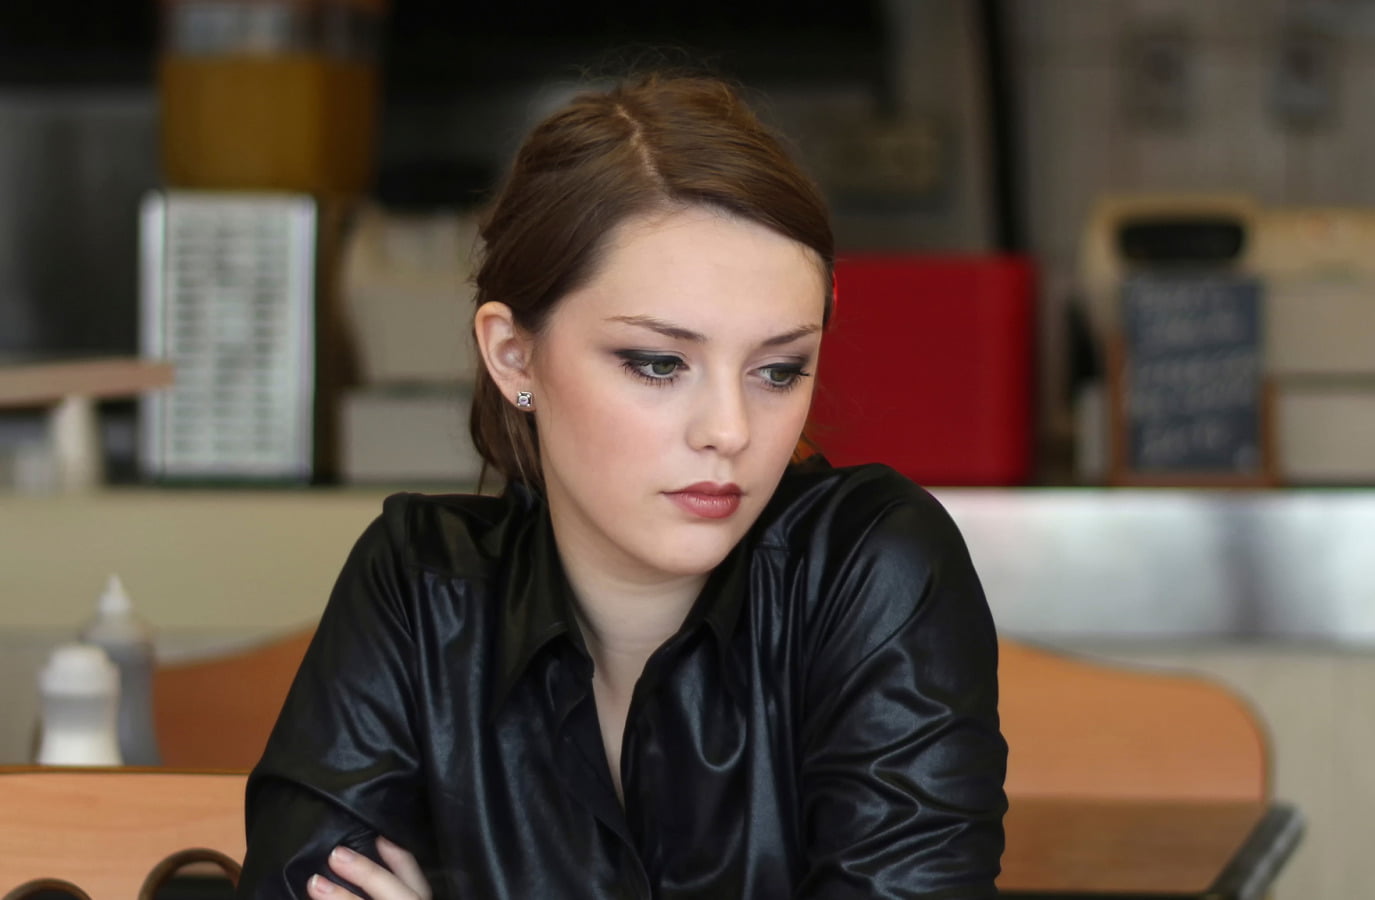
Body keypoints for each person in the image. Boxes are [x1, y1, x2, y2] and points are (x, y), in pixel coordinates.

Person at [237, 71, 1008, 900]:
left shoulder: (872, 566)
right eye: (658, 363)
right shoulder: (419, 585)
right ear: (513, 354)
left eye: (779, 370)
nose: (730, 429)